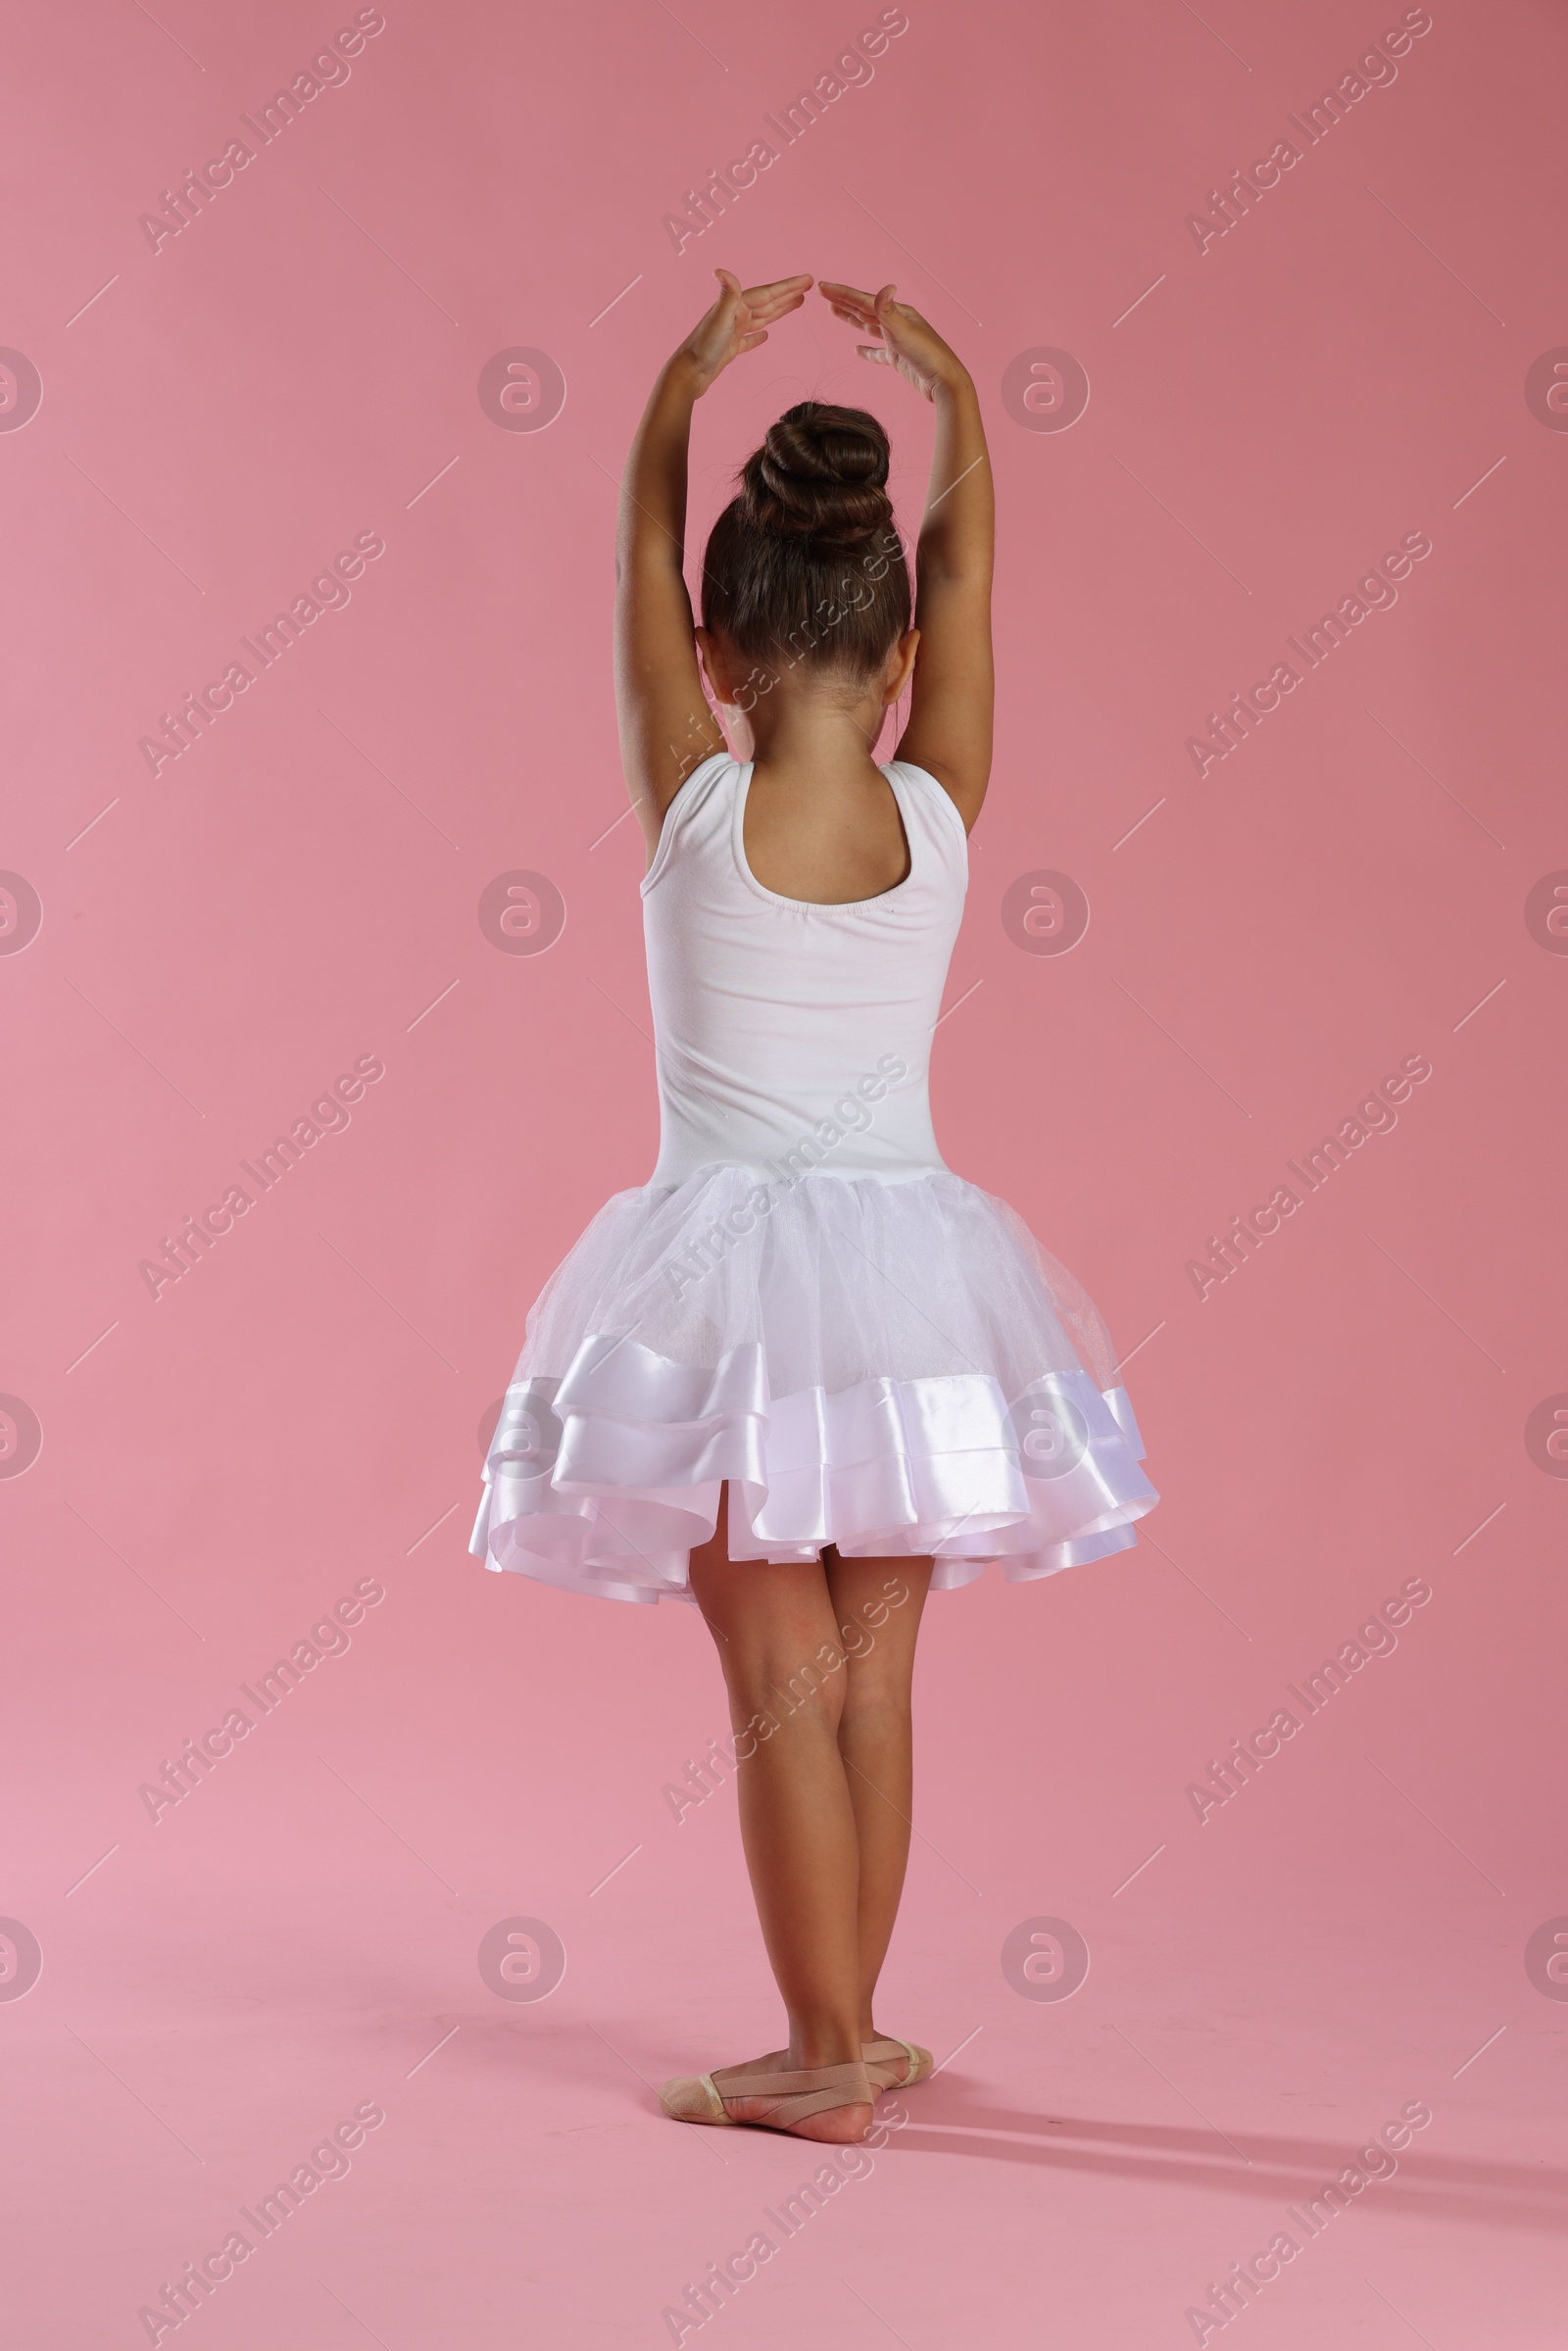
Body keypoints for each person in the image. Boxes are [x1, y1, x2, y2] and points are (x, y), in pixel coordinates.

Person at [470, 269, 1157, 2144]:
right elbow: (981, 587)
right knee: (872, 1670)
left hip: (727, 1278)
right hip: (921, 1277)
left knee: (776, 1663)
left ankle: (824, 2055)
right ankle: (854, 2024)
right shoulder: (942, 808)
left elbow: (628, 548)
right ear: (903, 642)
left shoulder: (691, 802)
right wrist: (955, 398)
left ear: (715, 647)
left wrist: (683, 381)